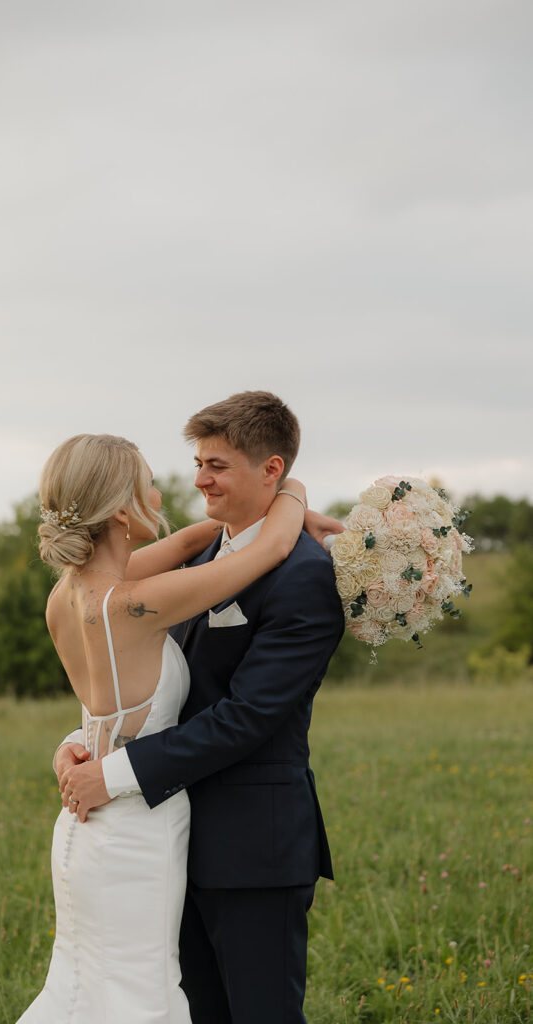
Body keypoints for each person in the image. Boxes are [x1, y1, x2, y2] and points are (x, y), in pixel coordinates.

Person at [55, 392, 345, 1024]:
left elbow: (246, 717)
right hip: (161, 842)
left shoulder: (303, 575)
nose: (197, 480)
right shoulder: (195, 562)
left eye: (216, 465)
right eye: (196, 463)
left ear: (267, 468)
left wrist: (107, 767)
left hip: (251, 848)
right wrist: (292, 499)